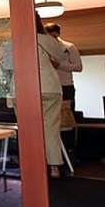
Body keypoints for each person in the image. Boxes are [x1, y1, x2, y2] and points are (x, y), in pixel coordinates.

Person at [36, 13, 68, 178]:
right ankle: (54, 167)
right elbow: (61, 56)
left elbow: (8, 65)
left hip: (24, 88)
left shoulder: (13, 41)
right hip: (50, 86)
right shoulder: (48, 39)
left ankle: (34, 165)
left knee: (29, 129)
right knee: (51, 128)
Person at [45, 22, 82, 108]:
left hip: (65, 86)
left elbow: (78, 67)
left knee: (67, 113)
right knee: (51, 113)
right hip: (49, 87)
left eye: (53, 36)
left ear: (57, 34)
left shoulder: (69, 47)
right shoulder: (44, 48)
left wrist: (59, 65)